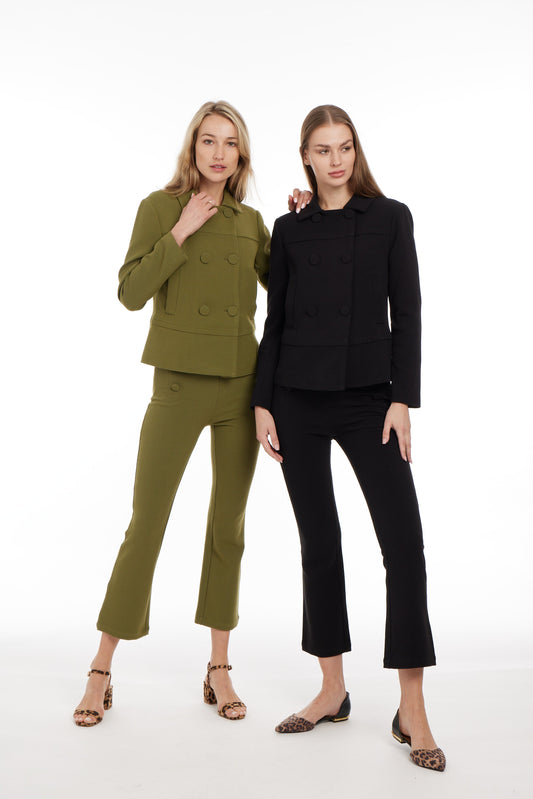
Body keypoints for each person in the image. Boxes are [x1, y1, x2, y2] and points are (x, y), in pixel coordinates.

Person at [73, 100, 310, 727]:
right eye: (209, 140)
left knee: (227, 526)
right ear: (193, 147)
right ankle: (101, 667)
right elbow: (129, 293)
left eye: (230, 143)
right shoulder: (159, 207)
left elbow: (288, 287)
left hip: (239, 387)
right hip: (177, 385)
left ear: (241, 155)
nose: (219, 152)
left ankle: (219, 667)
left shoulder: (250, 221)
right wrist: (179, 231)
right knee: (146, 523)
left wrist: (301, 224)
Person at [253, 105, 445, 771]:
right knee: (319, 542)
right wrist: (262, 402)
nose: (335, 160)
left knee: (403, 545)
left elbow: (407, 309)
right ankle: (331, 689)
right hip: (296, 399)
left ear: (355, 152)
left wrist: (401, 399)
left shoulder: (390, 217)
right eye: (322, 150)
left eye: (344, 148)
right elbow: (276, 321)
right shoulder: (289, 227)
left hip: (369, 400)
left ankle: (411, 705)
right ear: (305, 157)